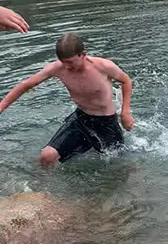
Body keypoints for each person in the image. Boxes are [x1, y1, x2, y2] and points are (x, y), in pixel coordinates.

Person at [0, 33, 134, 165]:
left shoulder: (103, 66)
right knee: (46, 156)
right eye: (63, 62)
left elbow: (126, 81)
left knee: (119, 165)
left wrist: (125, 112)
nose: (67, 67)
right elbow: (25, 85)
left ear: (83, 54)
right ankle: (43, 185)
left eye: (70, 62)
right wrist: (1, 107)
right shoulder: (58, 68)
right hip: (81, 118)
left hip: (106, 122)